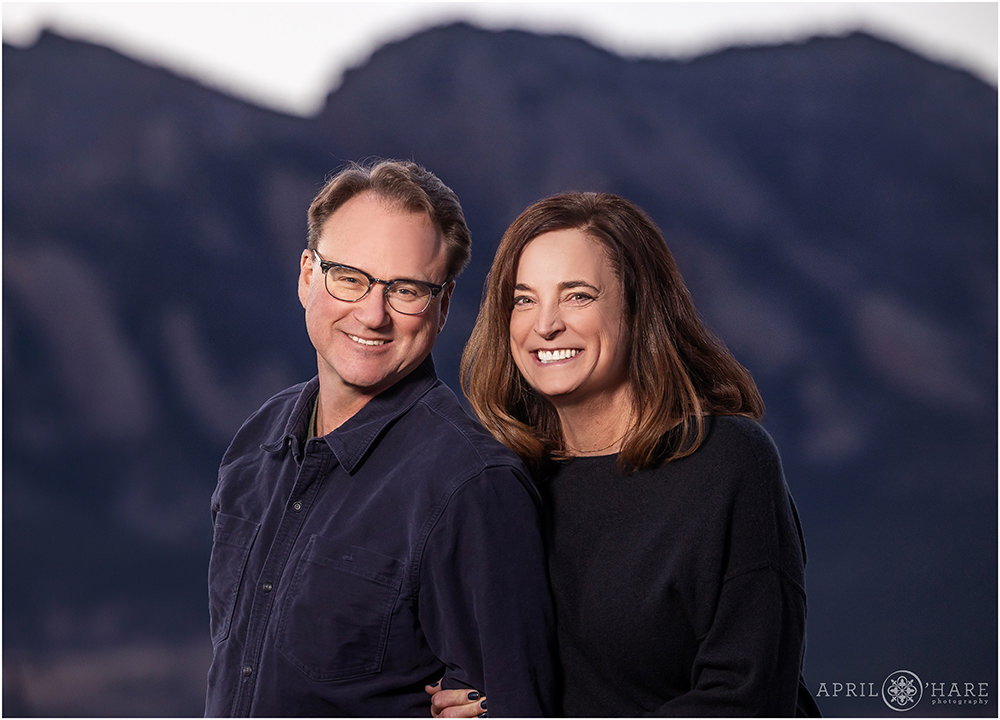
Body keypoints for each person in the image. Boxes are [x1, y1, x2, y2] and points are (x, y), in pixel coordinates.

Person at [430, 192, 819, 716]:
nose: (544, 325)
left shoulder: (726, 461)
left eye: (578, 296)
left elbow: (747, 700)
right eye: (524, 299)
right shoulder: (504, 482)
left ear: (638, 308)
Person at [205, 159, 556, 717]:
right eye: (349, 277)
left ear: (441, 308)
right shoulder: (255, 446)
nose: (372, 314)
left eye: (406, 290)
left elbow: (512, 706)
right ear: (306, 276)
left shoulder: (472, 488)